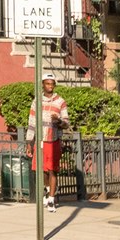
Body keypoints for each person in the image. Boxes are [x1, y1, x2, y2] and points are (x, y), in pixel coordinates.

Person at [33, 76, 70, 209]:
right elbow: (32, 122)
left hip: (54, 139)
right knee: (42, 170)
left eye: (52, 84)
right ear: (42, 85)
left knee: (53, 170)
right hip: (41, 140)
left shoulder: (60, 102)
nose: (50, 86)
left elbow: (66, 123)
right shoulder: (37, 101)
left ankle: (51, 199)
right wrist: (29, 142)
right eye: (47, 84)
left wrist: (59, 121)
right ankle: (49, 190)